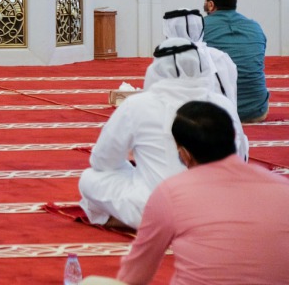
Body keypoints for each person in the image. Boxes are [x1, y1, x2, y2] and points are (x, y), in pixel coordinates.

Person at [78, 38, 248, 230]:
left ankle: (118, 220)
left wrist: (138, 168)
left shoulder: (138, 105)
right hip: (221, 209)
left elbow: (103, 161)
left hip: (160, 212)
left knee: (90, 178)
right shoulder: (222, 102)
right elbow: (240, 155)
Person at [114, 100, 289, 284]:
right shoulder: (282, 187)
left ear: (184, 154)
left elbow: (135, 276)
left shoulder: (171, 192)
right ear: (234, 137)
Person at [202, 0, 270, 122]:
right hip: (256, 110)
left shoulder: (200, 27)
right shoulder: (255, 27)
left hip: (218, 113)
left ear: (211, 4)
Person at [142, 8, 237, 103]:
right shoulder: (220, 57)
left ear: (169, 30)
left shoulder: (166, 59)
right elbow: (231, 92)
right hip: (220, 113)